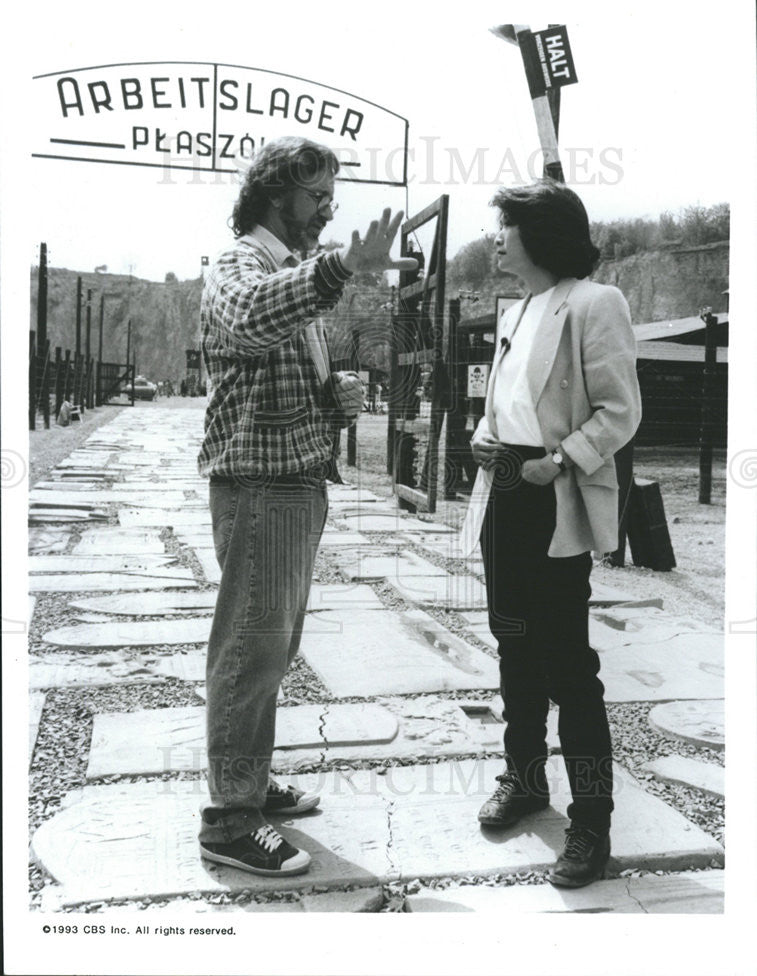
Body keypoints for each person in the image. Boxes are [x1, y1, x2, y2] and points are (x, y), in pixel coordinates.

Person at [196, 136, 416, 878]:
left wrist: (337, 396)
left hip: (293, 484)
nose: (327, 210)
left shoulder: (287, 270)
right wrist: (340, 267)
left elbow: (282, 367)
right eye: (316, 196)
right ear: (273, 194)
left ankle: (249, 784)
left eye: (331, 197)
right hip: (259, 485)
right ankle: (229, 819)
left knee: (273, 649)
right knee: (250, 651)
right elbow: (254, 318)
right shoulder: (239, 264)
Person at [460, 178, 641, 888]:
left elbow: (618, 411)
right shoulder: (521, 305)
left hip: (550, 494)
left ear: (539, 234)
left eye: (505, 226)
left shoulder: (595, 303)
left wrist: (561, 460)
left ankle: (590, 822)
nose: (497, 237)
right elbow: (503, 402)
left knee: (568, 663)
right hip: (501, 491)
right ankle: (524, 778)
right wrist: (482, 435)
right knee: (512, 644)